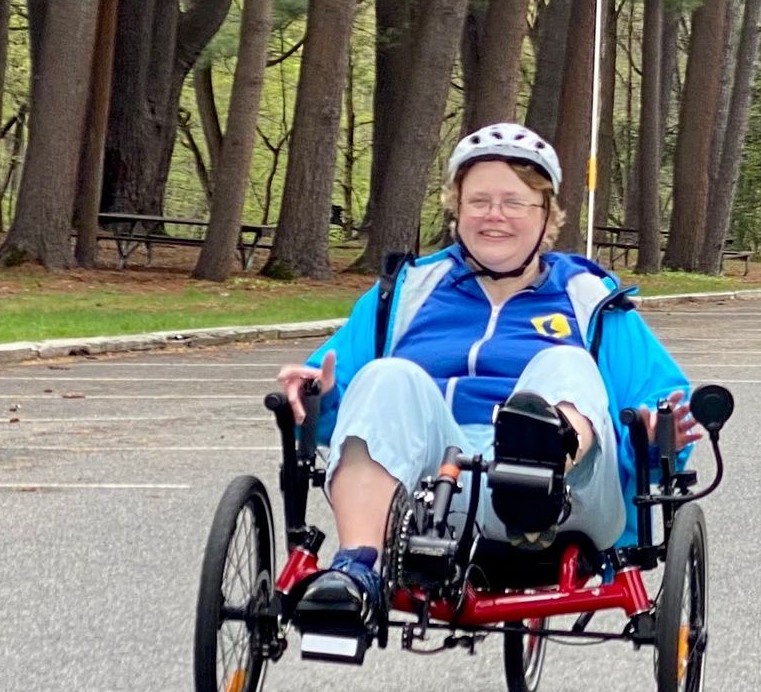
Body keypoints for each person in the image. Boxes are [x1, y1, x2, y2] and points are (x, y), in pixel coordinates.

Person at [274, 122, 698, 629]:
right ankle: (357, 571)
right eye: (478, 201)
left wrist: (659, 433)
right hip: (428, 494)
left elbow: (663, 399)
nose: (494, 216)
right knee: (387, 375)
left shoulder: (589, 298)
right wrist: (315, 393)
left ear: (547, 216)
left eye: (514, 202)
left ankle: (539, 459)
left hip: (565, 502)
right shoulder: (406, 291)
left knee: (565, 362)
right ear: (457, 210)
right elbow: (344, 404)